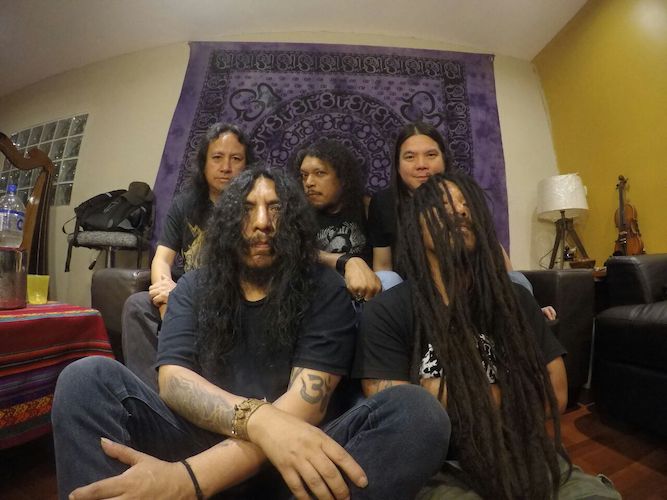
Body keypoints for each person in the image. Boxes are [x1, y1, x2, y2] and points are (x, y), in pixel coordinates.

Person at [52, 167, 449, 500]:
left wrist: (186, 481)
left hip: (296, 463)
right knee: (85, 377)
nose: (262, 223)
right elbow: (172, 381)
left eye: (276, 208)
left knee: (417, 412)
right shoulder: (193, 285)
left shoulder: (324, 288)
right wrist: (257, 420)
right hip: (200, 444)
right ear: (227, 223)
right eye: (247, 209)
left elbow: (307, 406)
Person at [353, 171, 620, 499]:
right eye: (443, 204)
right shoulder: (387, 311)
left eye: (466, 204)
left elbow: (557, 393)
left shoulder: (514, 300)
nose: (460, 210)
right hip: (439, 467)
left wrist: (439, 391)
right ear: (415, 226)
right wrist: (514, 389)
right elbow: (402, 414)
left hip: (526, 455)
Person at [367, 121, 557, 320]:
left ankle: (528, 321)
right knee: (386, 278)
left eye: (431, 155)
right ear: (397, 165)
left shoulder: (463, 195)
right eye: (410, 157)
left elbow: (492, 248)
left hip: (467, 282)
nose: (421, 164)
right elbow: (382, 265)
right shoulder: (384, 202)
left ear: (444, 160)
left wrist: (529, 303)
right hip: (411, 288)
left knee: (515, 279)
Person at [122, 122, 251, 389]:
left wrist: (180, 300)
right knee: (137, 306)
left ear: (247, 165)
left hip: (232, 297)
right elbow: (162, 259)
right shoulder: (185, 204)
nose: (226, 167)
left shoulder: (255, 205)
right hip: (186, 294)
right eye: (217, 157)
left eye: (236, 159)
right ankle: (153, 397)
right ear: (204, 163)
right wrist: (167, 298)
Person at [296, 139, 401, 302]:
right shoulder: (298, 215)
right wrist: (344, 261)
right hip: (321, 295)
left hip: (366, 293)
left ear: (343, 178)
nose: (309, 183)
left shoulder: (368, 208)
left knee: (391, 279)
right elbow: (299, 254)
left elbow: (382, 267)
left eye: (319, 173)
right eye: (304, 176)